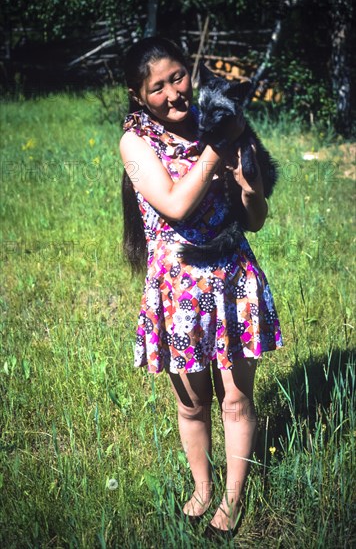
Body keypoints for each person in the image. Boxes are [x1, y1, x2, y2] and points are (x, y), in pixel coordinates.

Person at [120, 36, 283, 539]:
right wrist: (220, 145)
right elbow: (173, 205)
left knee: (235, 400)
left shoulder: (217, 115)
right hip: (180, 291)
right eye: (157, 87)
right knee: (192, 403)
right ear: (137, 96)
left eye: (178, 77)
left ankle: (231, 503)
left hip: (233, 279)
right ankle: (202, 489)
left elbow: (254, 220)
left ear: (190, 72)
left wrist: (251, 189)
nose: (173, 93)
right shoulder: (136, 141)